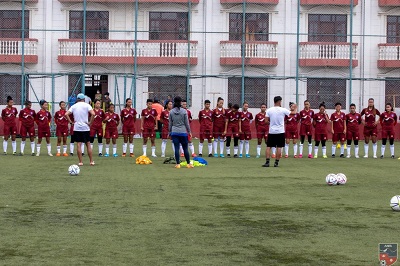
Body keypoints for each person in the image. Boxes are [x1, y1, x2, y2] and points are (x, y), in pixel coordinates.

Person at [65, 93, 95, 166]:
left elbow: (66, 114)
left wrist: (71, 122)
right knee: (88, 143)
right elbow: (93, 114)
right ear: (84, 99)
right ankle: (91, 161)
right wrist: (90, 122)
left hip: (77, 127)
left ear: (77, 99)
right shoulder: (87, 105)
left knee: (79, 144)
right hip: (85, 127)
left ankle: (80, 162)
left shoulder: (74, 106)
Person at [262, 96, 290, 167]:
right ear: (279, 101)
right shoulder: (283, 110)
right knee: (279, 147)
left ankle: (267, 162)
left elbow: (265, 121)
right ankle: (276, 163)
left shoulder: (269, 110)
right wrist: (295, 107)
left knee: (269, 147)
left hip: (272, 131)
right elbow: (292, 113)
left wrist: (271, 124)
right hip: (280, 131)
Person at [168, 96, 193, 169]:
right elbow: (187, 123)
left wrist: (169, 132)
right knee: (185, 148)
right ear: (180, 102)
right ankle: (188, 163)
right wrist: (189, 131)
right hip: (183, 132)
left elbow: (170, 123)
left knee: (176, 148)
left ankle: (178, 164)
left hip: (174, 132)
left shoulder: (171, 112)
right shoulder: (184, 111)